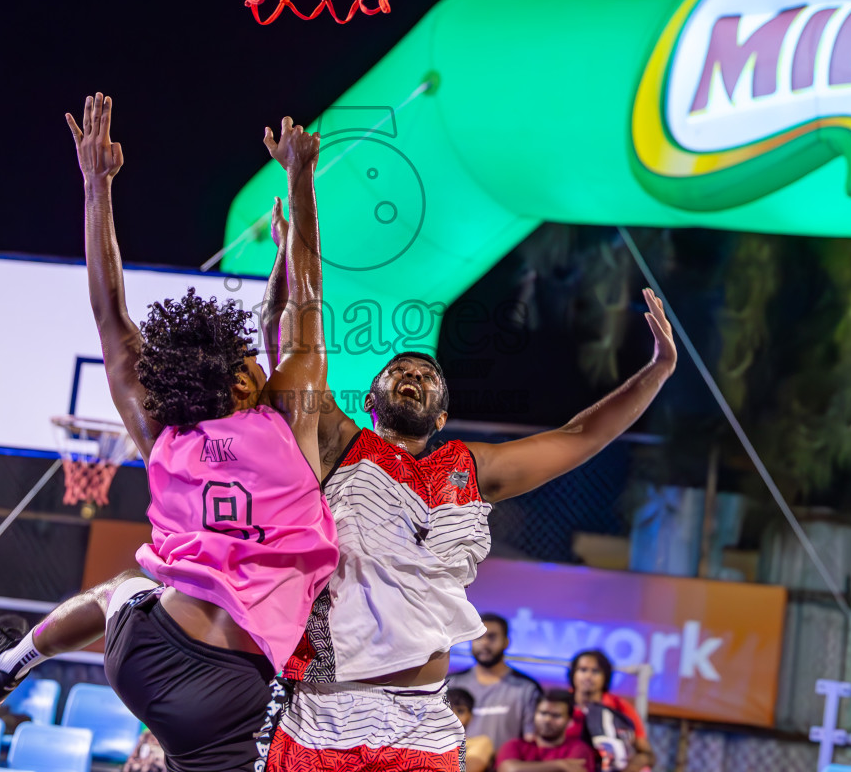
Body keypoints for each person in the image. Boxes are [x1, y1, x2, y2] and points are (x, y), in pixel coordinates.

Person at [0, 100, 338, 772]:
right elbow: (305, 306)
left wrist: (95, 187)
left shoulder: (163, 433)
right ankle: (8, 664)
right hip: (235, 689)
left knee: (119, 592)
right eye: (251, 359)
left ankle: (5, 667)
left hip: (144, 656)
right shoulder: (288, 418)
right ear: (247, 385)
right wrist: (300, 182)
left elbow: (111, 316)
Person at [260, 238, 677, 772]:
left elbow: (580, 434)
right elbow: (289, 351)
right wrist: (291, 232)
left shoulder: (468, 470)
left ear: (440, 420)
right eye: (400, 371)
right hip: (323, 711)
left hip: (422, 722)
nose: (414, 377)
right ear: (369, 401)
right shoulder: (338, 446)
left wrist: (658, 371)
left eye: (428, 377)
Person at [449, 614, 541, 761]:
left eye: (491, 637)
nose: (484, 643)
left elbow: (531, 741)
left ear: (506, 642)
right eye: (478, 637)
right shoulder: (451, 683)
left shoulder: (526, 689)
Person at [565, 651, 651, 772]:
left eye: (595, 671)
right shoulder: (561, 703)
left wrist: (630, 768)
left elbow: (645, 753)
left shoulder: (620, 707)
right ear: (573, 673)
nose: (588, 676)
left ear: (606, 676)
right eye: (583, 670)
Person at [496, 691, 595, 772]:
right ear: (534, 715)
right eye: (543, 713)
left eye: (556, 715)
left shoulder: (578, 749)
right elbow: (509, 769)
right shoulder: (514, 745)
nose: (547, 720)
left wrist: (522, 767)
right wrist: (560, 765)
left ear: (569, 721)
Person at [445, 688, 494, 772]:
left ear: (470, 716)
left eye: (460, 711)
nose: (453, 716)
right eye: (448, 710)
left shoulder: (481, 742)